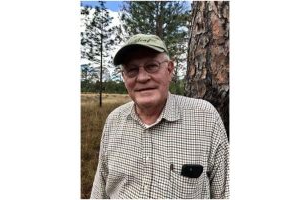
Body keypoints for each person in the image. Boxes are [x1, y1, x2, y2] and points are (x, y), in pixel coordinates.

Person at [90, 34, 229, 199]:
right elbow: (100, 190)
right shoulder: (114, 120)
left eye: (152, 66)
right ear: (124, 77)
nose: (142, 77)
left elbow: (225, 192)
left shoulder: (205, 117)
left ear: (169, 70)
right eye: (132, 70)